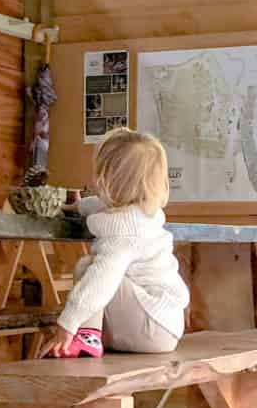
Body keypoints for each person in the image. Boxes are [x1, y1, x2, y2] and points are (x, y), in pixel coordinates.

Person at [39, 129, 189, 358]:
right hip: (160, 325)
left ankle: (87, 337)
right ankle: (90, 336)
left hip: (151, 326)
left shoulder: (125, 232)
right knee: (92, 268)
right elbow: (99, 205)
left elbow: (100, 282)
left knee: (92, 268)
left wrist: (67, 325)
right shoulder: (139, 213)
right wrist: (76, 207)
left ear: (107, 180)